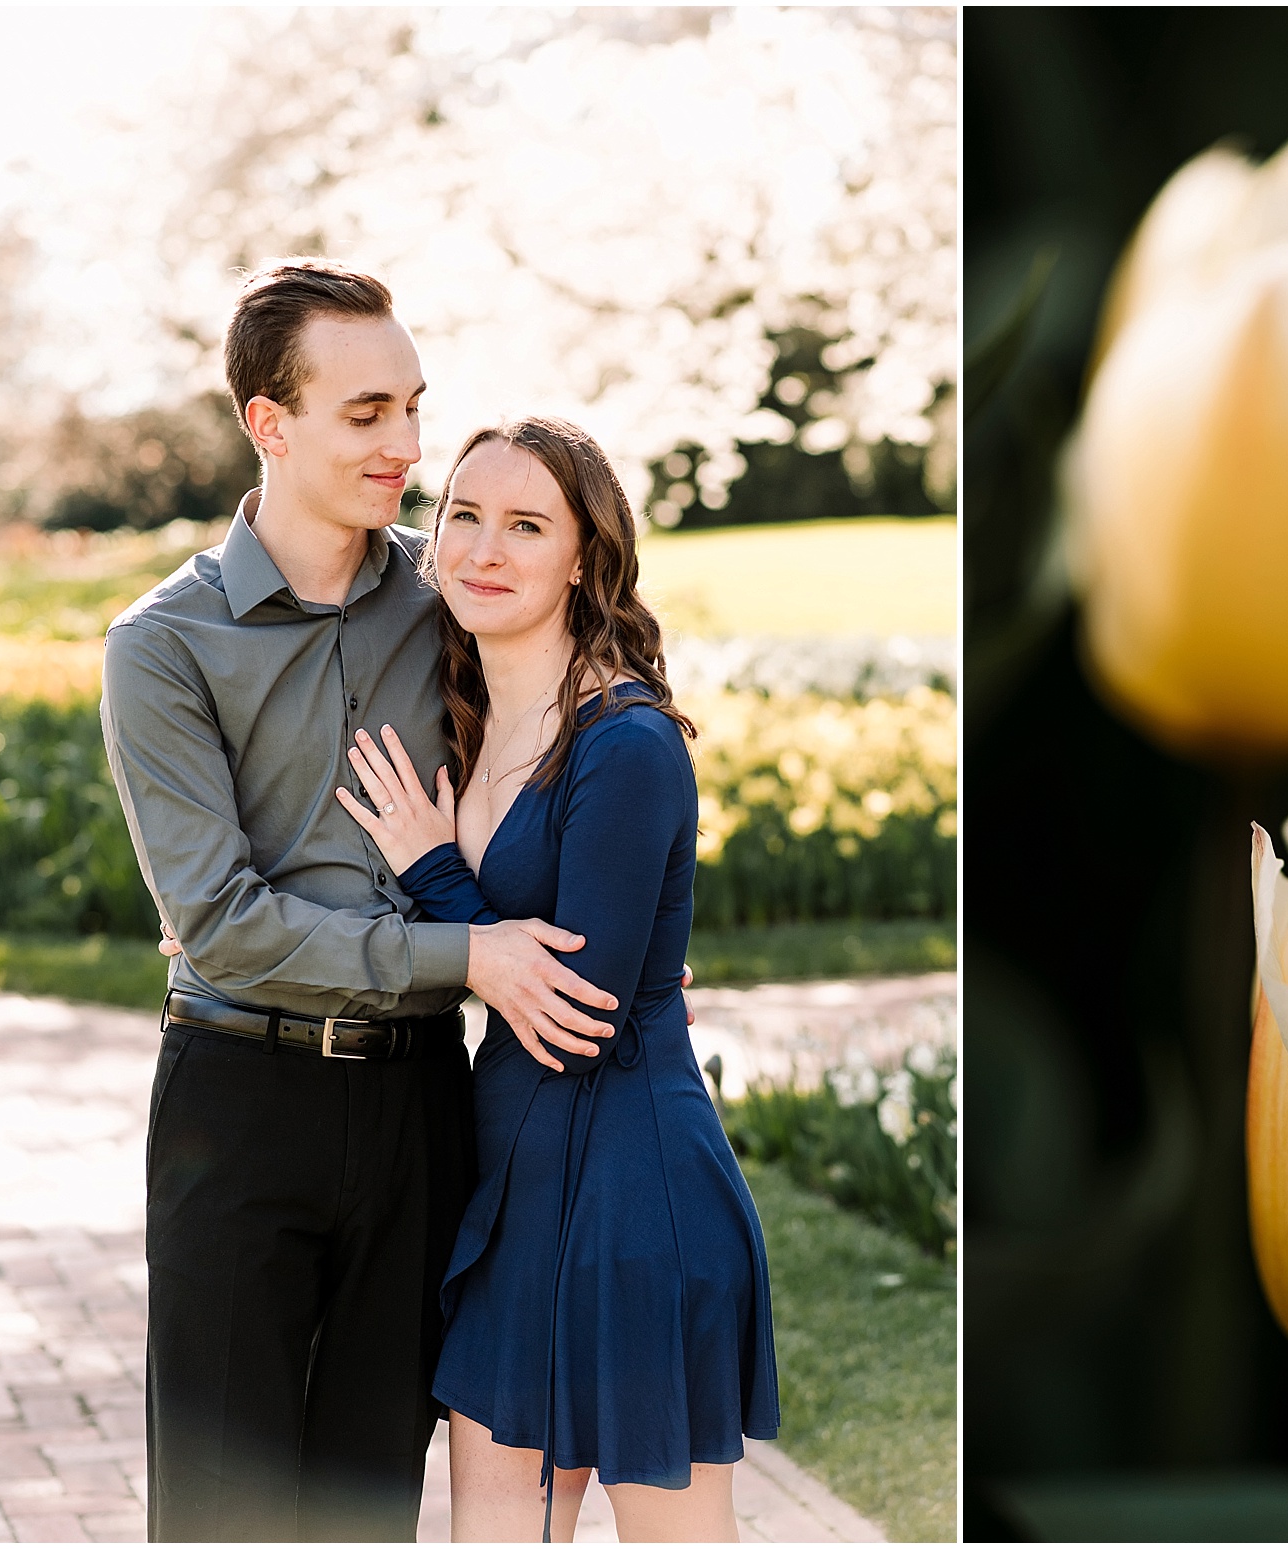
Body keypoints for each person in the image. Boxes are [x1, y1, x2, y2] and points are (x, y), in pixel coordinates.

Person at [102, 260, 666, 1541]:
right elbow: (225, 922)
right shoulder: (165, 647)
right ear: (269, 423)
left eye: (414, 407)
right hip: (241, 1100)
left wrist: (632, 920)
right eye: (366, 415)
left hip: (422, 1105)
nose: (406, 447)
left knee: (366, 1503)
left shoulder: (449, 589)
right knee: (225, 1511)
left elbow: (602, 707)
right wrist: (468, 955)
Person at [336, 416, 780, 1543]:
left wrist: (436, 872)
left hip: (635, 1197)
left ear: (584, 556)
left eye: (526, 524)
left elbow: (575, 1013)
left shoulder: (624, 744)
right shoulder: (468, 718)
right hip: (513, 1196)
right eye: (464, 516)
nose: (483, 549)